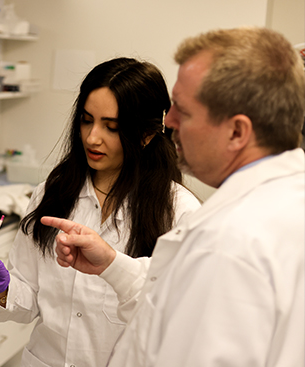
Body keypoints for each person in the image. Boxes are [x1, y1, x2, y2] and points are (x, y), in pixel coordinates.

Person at [47, 27, 305, 366]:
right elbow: (167, 298)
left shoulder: (231, 243)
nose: (168, 122)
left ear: (237, 131)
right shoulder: (283, 201)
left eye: (183, 110)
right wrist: (112, 265)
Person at [0, 58, 201, 366]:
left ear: (146, 134)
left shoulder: (178, 212)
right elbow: (30, 300)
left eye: (111, 127)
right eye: (87, 120)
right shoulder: (55, 191)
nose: (92, 137)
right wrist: (3, 288)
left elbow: (176, 319)